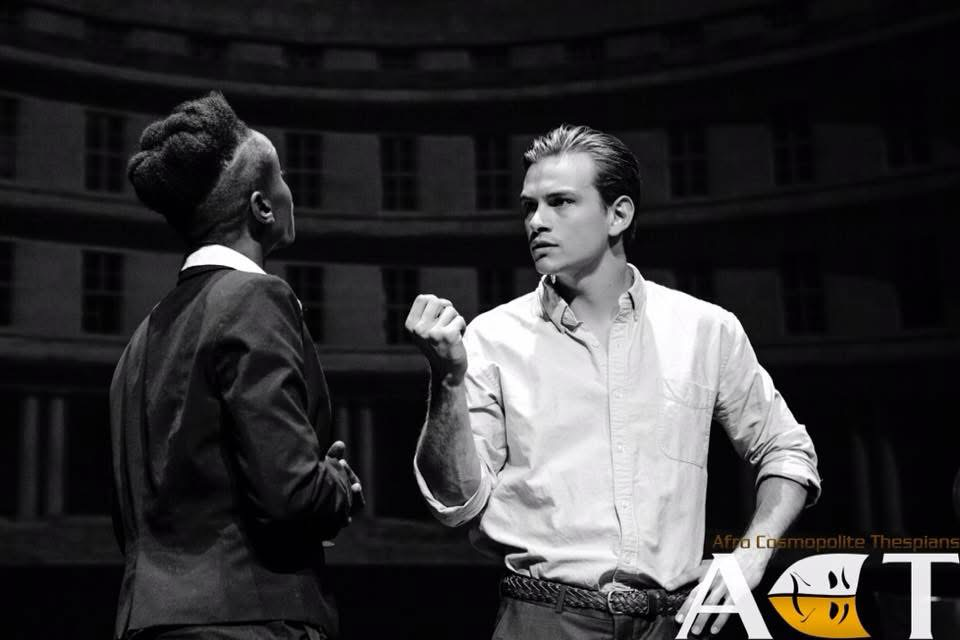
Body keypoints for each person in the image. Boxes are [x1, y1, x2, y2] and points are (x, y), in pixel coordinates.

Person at [406, 125, 821, 639]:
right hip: (545, 618)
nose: (536, 222)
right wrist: (447, 378)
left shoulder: (704, 329)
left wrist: (750, 558)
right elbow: (454, 503)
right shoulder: (492, 337)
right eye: (529, 207)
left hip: (675, 621)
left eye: (560, 203)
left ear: (618, 214)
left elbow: (786, 450)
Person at [110, 92, 362, 640]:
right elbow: (289, 496)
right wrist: (338, 485)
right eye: (284, 177)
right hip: (251, 620)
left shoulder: (138, 343)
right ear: (261, 207)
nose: (292, 190)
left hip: (146, 622)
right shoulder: (255, 299)